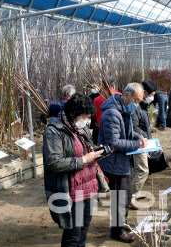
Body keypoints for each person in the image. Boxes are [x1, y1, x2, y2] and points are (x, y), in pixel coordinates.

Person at [43, 94, 105, 247]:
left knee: (84, 230)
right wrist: (83, 160)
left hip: (89, 186)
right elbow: (53, 162)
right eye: (85, 116)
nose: (87, 120)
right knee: (73, 234)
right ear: (73, 113)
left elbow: (85, 149)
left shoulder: (81, 128)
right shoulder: (54, 131)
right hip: (73, 190)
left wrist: (97, 151)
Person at [97, 83, 147, 243]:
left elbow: (127, 133)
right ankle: (117, 231)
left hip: (123, 163)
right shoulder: (112, 113)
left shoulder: (124, 110)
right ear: (125, 95)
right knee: (120, 198)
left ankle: (121, 223)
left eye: (139, 101)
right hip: (114, 163)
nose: (136, 104)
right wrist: (137, 145)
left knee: (125, 196)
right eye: (135, 100)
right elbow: (114, 142)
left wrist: (137, 137)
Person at [130, 80, 157, 209]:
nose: (152, 97)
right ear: (144, 93)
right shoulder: (136, 107)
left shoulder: (143, 106)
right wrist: (145, 138)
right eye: (151, 94)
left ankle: (133, 194)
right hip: (138, 143)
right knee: (142, 171)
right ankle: (130, 196)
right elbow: (134, 127)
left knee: (137, 170)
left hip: (144, 142)